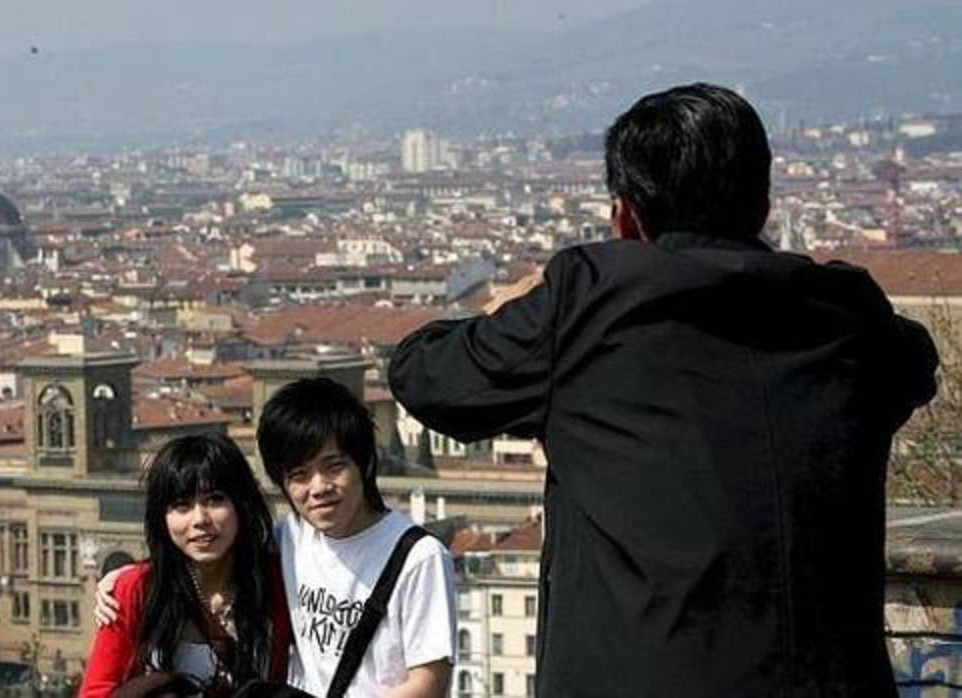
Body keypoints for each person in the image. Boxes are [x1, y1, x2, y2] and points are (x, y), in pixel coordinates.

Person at [388, 83, 939, 697]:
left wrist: (508, 308)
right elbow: (914, 366)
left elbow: (424, 376)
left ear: (626, 214)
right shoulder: (847, 314)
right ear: (762, 205)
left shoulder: (590, 302)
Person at [98, 378, 457, 697]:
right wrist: (126, 577)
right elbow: (212, 546)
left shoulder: (419, 557)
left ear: (363, 462)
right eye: (299, 474)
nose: (319, 488)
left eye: (334, 466)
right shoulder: (292, 538)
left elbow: (428, 682)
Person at [79, 434, 293, 698]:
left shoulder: (278, 581)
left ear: (241, 503)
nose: (200, 519)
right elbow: (96, 692)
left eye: (215, 499)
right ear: (162, 518)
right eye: (181, 506)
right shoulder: (135, 590)